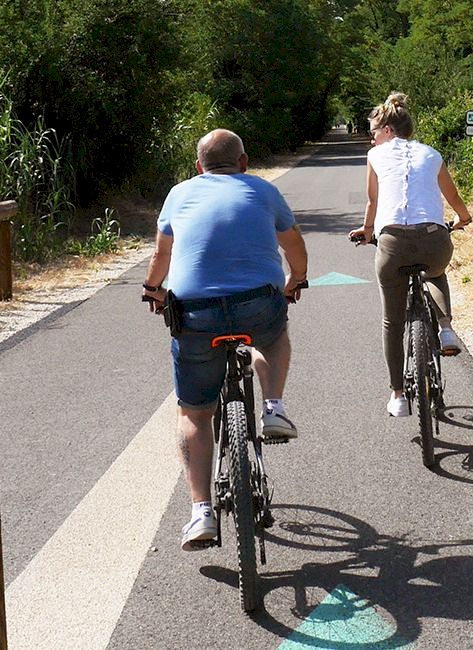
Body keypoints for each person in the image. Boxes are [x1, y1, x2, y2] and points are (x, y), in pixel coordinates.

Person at [141, 129, 309, 551]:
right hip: (257, 305)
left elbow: (162, 256)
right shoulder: (264, 191)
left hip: (196, 314)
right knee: (272, 338)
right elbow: (294, 246)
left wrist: (152, 289)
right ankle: (273, 407)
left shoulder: (179, 193)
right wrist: (296, 281)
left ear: (199, 167)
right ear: (244, 162)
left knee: (196, 414)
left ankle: (201, 512)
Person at [346, 93, 473, 418]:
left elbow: (374, 203)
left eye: (374, 131)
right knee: (435, 272)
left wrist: (366, 230)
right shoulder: (432, 154)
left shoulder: (375, 156)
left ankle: (398, 396)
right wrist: (462, 218)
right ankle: (445, 327)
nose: (372, 137)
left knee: (392, 322)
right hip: (434, 239)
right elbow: (452, 195)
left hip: (392, 243)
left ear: (388, 130)